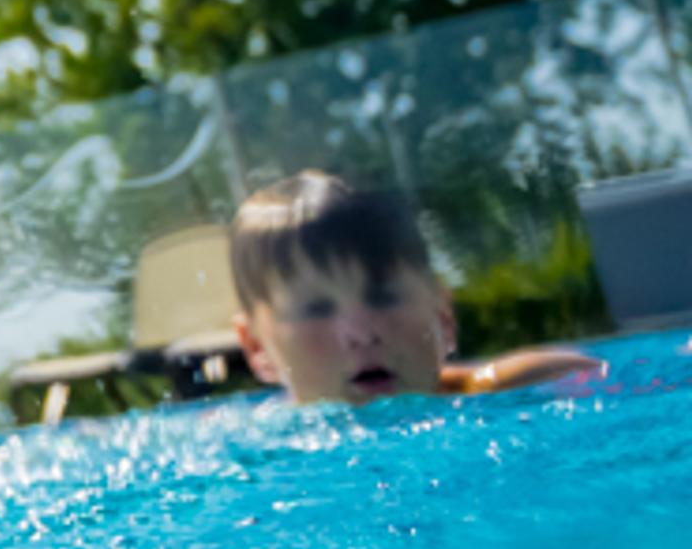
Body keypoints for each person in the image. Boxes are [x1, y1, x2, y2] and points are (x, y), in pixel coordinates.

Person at [226, 171, 604, 406]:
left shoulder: (511, 392)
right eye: (316, 309)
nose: (360, 334)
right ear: (257, 348)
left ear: (443, 315)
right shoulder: (243, 452)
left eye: (382, 298)